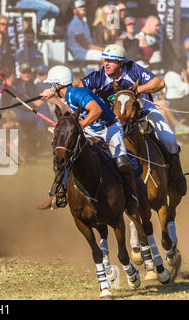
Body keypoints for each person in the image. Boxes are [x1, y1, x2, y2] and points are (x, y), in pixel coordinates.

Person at [74, 44, 187, 196]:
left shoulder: (133, 69)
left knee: (170, 139)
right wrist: (60, 89)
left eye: (111, 61)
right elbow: (78, 85)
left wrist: (136, 90)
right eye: (105, 60)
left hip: (144, 111)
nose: (105, 64)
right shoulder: (99, 76)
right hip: (115, 120)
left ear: (121, 63)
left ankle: (176, 173)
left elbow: (159, 83)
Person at [39, 65, 139, 213]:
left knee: (122, 162)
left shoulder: (77, 94)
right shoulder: (69, 93)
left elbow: (96, 110)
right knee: (69, 155)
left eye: (52, 84)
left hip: (109, 129)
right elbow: (64, 104)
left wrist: (82, 125)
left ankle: (131, 196)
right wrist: (51, 95)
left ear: (58, 84)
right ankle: (59, 193)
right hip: (91, 129)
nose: (51, 87)